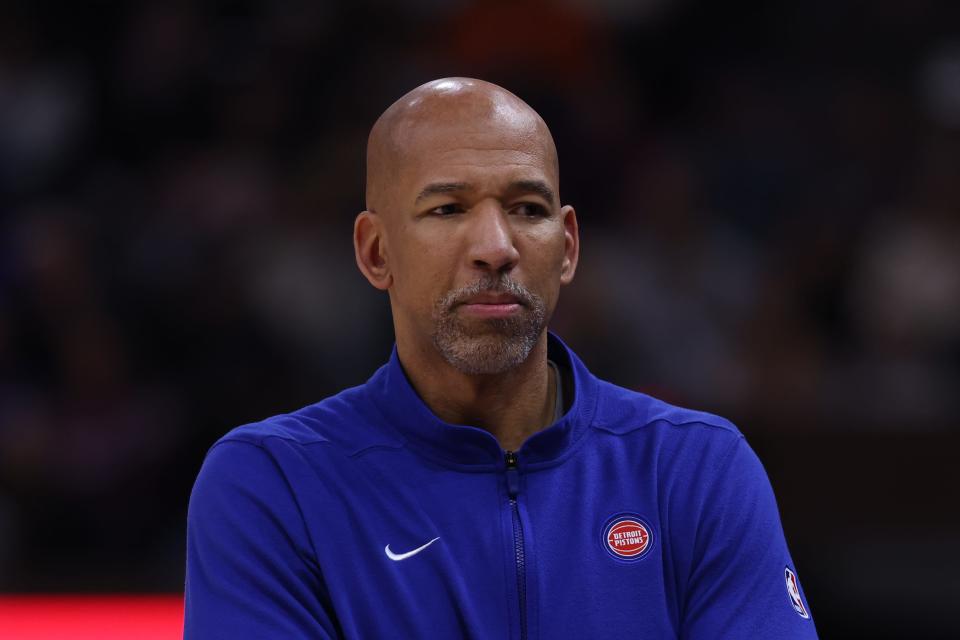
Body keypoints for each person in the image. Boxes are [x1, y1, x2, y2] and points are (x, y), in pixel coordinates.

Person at [184, 77, 818, 639]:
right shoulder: (272, 483)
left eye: (526, 209)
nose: (495, 246)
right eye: (447, 209)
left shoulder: (697, 469)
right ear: (376, 252)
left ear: (567, 247)